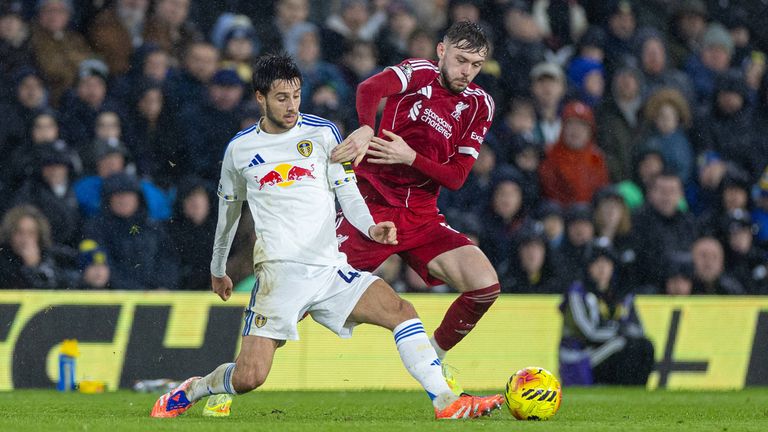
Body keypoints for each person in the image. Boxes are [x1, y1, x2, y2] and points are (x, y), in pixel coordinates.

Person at [149, 54, 503, 420]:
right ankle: (197, 387)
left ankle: (446, 402)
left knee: (401, 311)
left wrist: (370, 228)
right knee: (250, 376)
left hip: (331, 268)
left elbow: (348, 192)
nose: (291, 106)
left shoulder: (323, 133)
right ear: (260, 98)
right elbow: (228, 215)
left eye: (297, 96)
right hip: (279, 275)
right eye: (282, 98)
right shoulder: (240, 150)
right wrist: (218, 268)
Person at [330, 21, 501, 369]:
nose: (467, 71)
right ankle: (238, 372)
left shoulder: (480, 105)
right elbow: (368, 88)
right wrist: (366, 127)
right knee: (307, 291)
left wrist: (411, 157)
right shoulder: (419, 73)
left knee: (485, 286)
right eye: (461, 59)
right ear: (442, 52)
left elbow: (456, 178)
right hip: (372, 205)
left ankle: (433, 359)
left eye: (476, 64)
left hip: (422, 215)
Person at [558, 241, 655, 386]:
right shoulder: (578, 293)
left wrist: (625, 334)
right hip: (580, 357)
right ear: (589, 267)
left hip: (610, 348)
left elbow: (638, 329)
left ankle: (637, 393)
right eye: (597, 263)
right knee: (625, 344)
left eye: (607, 263)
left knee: (645, 346)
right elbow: (589, 333)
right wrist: (619, 332)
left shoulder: (621, 294)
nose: (602, 268)